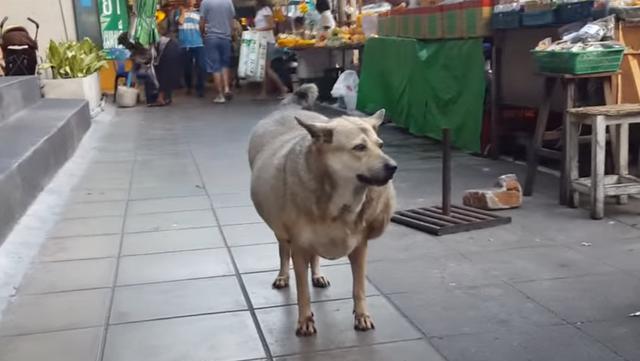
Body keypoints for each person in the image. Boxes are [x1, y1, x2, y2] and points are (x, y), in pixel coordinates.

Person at [200, 0, 235, 104]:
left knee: (215, 66)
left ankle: (220, 95)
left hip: (211, 37)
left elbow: (202, 22)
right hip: (226, 37)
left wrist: (202, 34)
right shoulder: (228, 2)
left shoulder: (205, 2)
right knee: (225, 64)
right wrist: (231, 34)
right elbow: (231, 21)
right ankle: (227, 88)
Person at [254, 0, 289, 100]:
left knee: (266, 69)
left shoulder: (265, 10)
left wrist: (257, 30)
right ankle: (264, 92)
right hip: (263, 41)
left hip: (267, 41)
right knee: (265, 69)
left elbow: (271, 25)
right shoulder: (262, 11)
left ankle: (283, 88)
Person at [176, 0, 205, 97]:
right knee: (187, 68)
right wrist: (183, 11)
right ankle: (189, 86)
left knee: (200, 66)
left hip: (198, 43)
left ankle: (200, 88)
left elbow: (203, 26)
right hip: (185, 44)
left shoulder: (200, 12)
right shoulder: (179, 12)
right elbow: (180, 22)